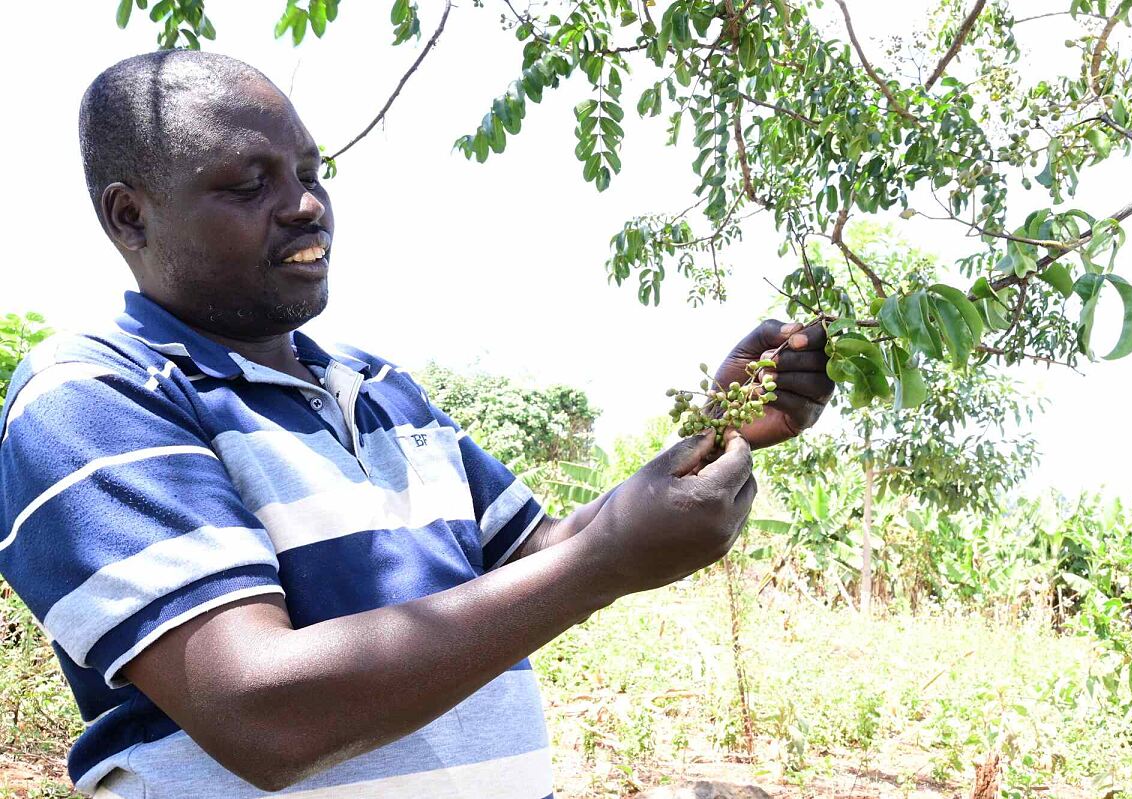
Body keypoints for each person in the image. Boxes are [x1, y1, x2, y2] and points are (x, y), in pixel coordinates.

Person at [0, 50, 834, 798]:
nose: (303, 206)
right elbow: (260, 713)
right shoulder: (94, 393)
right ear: (129, 216)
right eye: (249, 184)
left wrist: (717, 428)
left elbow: (541, 554)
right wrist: (605, 563)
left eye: (310, 173)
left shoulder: (379, 384)